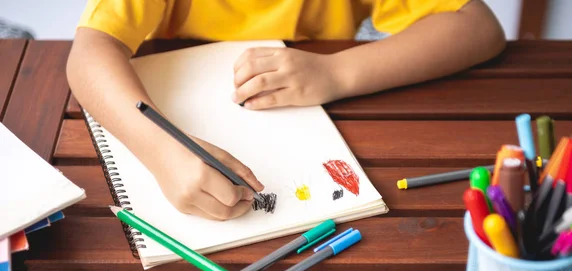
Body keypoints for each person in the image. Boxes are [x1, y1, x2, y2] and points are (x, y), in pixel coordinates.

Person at [67, 0, 506, 221]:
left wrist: (336, 74)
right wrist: (161, 151)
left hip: (330, 134)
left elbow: (477, 26)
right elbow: (89, 55)